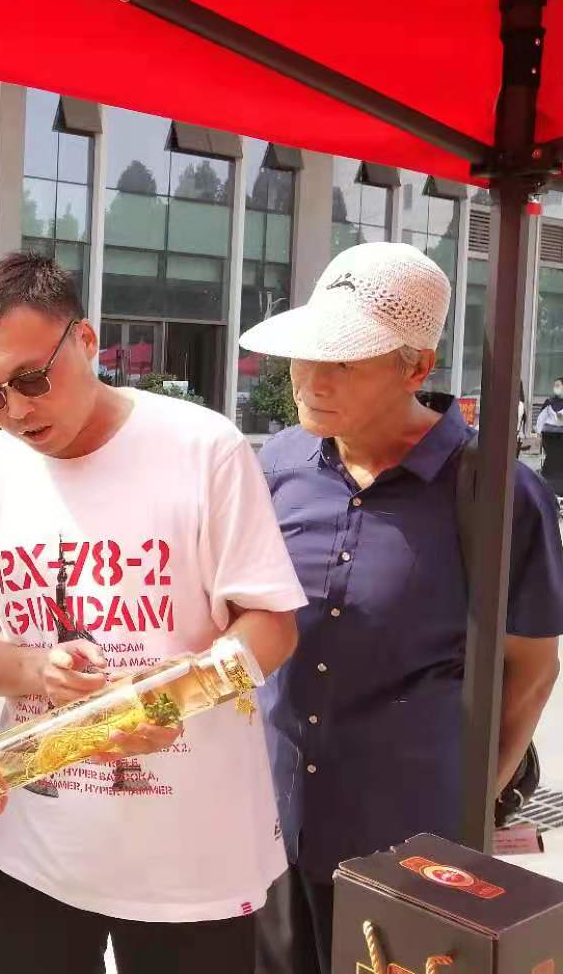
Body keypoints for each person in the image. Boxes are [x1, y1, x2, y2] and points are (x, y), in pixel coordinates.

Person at [0, 254, 304, 974]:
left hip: (192, 861)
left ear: (87, 340)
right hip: (34, 851)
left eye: (32, 379)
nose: (17, 410)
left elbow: (271, 625)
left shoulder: (202, 448)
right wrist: (38, 668)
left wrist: (169, 698)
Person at [239, 242, 563, 974]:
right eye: (305, 356)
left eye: (344, 362)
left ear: (416, 368)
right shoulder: (281, 463)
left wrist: (471, 808)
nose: (311, 381)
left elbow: (531, 670)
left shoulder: (498, 493)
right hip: (274, 827)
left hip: (411, 846)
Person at [535, 375, 563, 498]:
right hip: (550, 437)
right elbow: (541, 419)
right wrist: (539, 432)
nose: (555, 388)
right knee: (552, 462)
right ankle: (548, 486)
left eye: (558, 385)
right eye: (555, 385)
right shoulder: (549, 402)